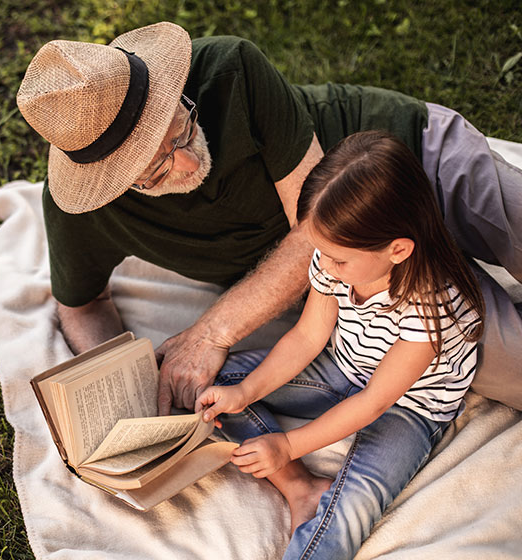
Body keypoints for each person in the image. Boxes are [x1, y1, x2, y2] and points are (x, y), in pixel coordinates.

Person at [15, 22, 522, 413]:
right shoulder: (79, 212)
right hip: (352, 273)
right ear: (111, 184)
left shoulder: (229, 67)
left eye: (182, 126)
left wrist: (212, 332)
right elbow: (83, 306)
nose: (189, 161)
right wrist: (133, 389)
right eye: (157, 168)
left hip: (404, 154)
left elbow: (313, 231)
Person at [195, 130, 484, 559]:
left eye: (338, 259)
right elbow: (309, 336)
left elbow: (374, 403)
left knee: (349, 510)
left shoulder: (431, 305)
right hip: (342, 368)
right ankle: (300, 487)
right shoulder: (334, 260)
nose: (324, 265)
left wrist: (289, 445)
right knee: (214, 386)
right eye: (319, 251)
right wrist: (245, 392)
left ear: (398, 249)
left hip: (406, 409)